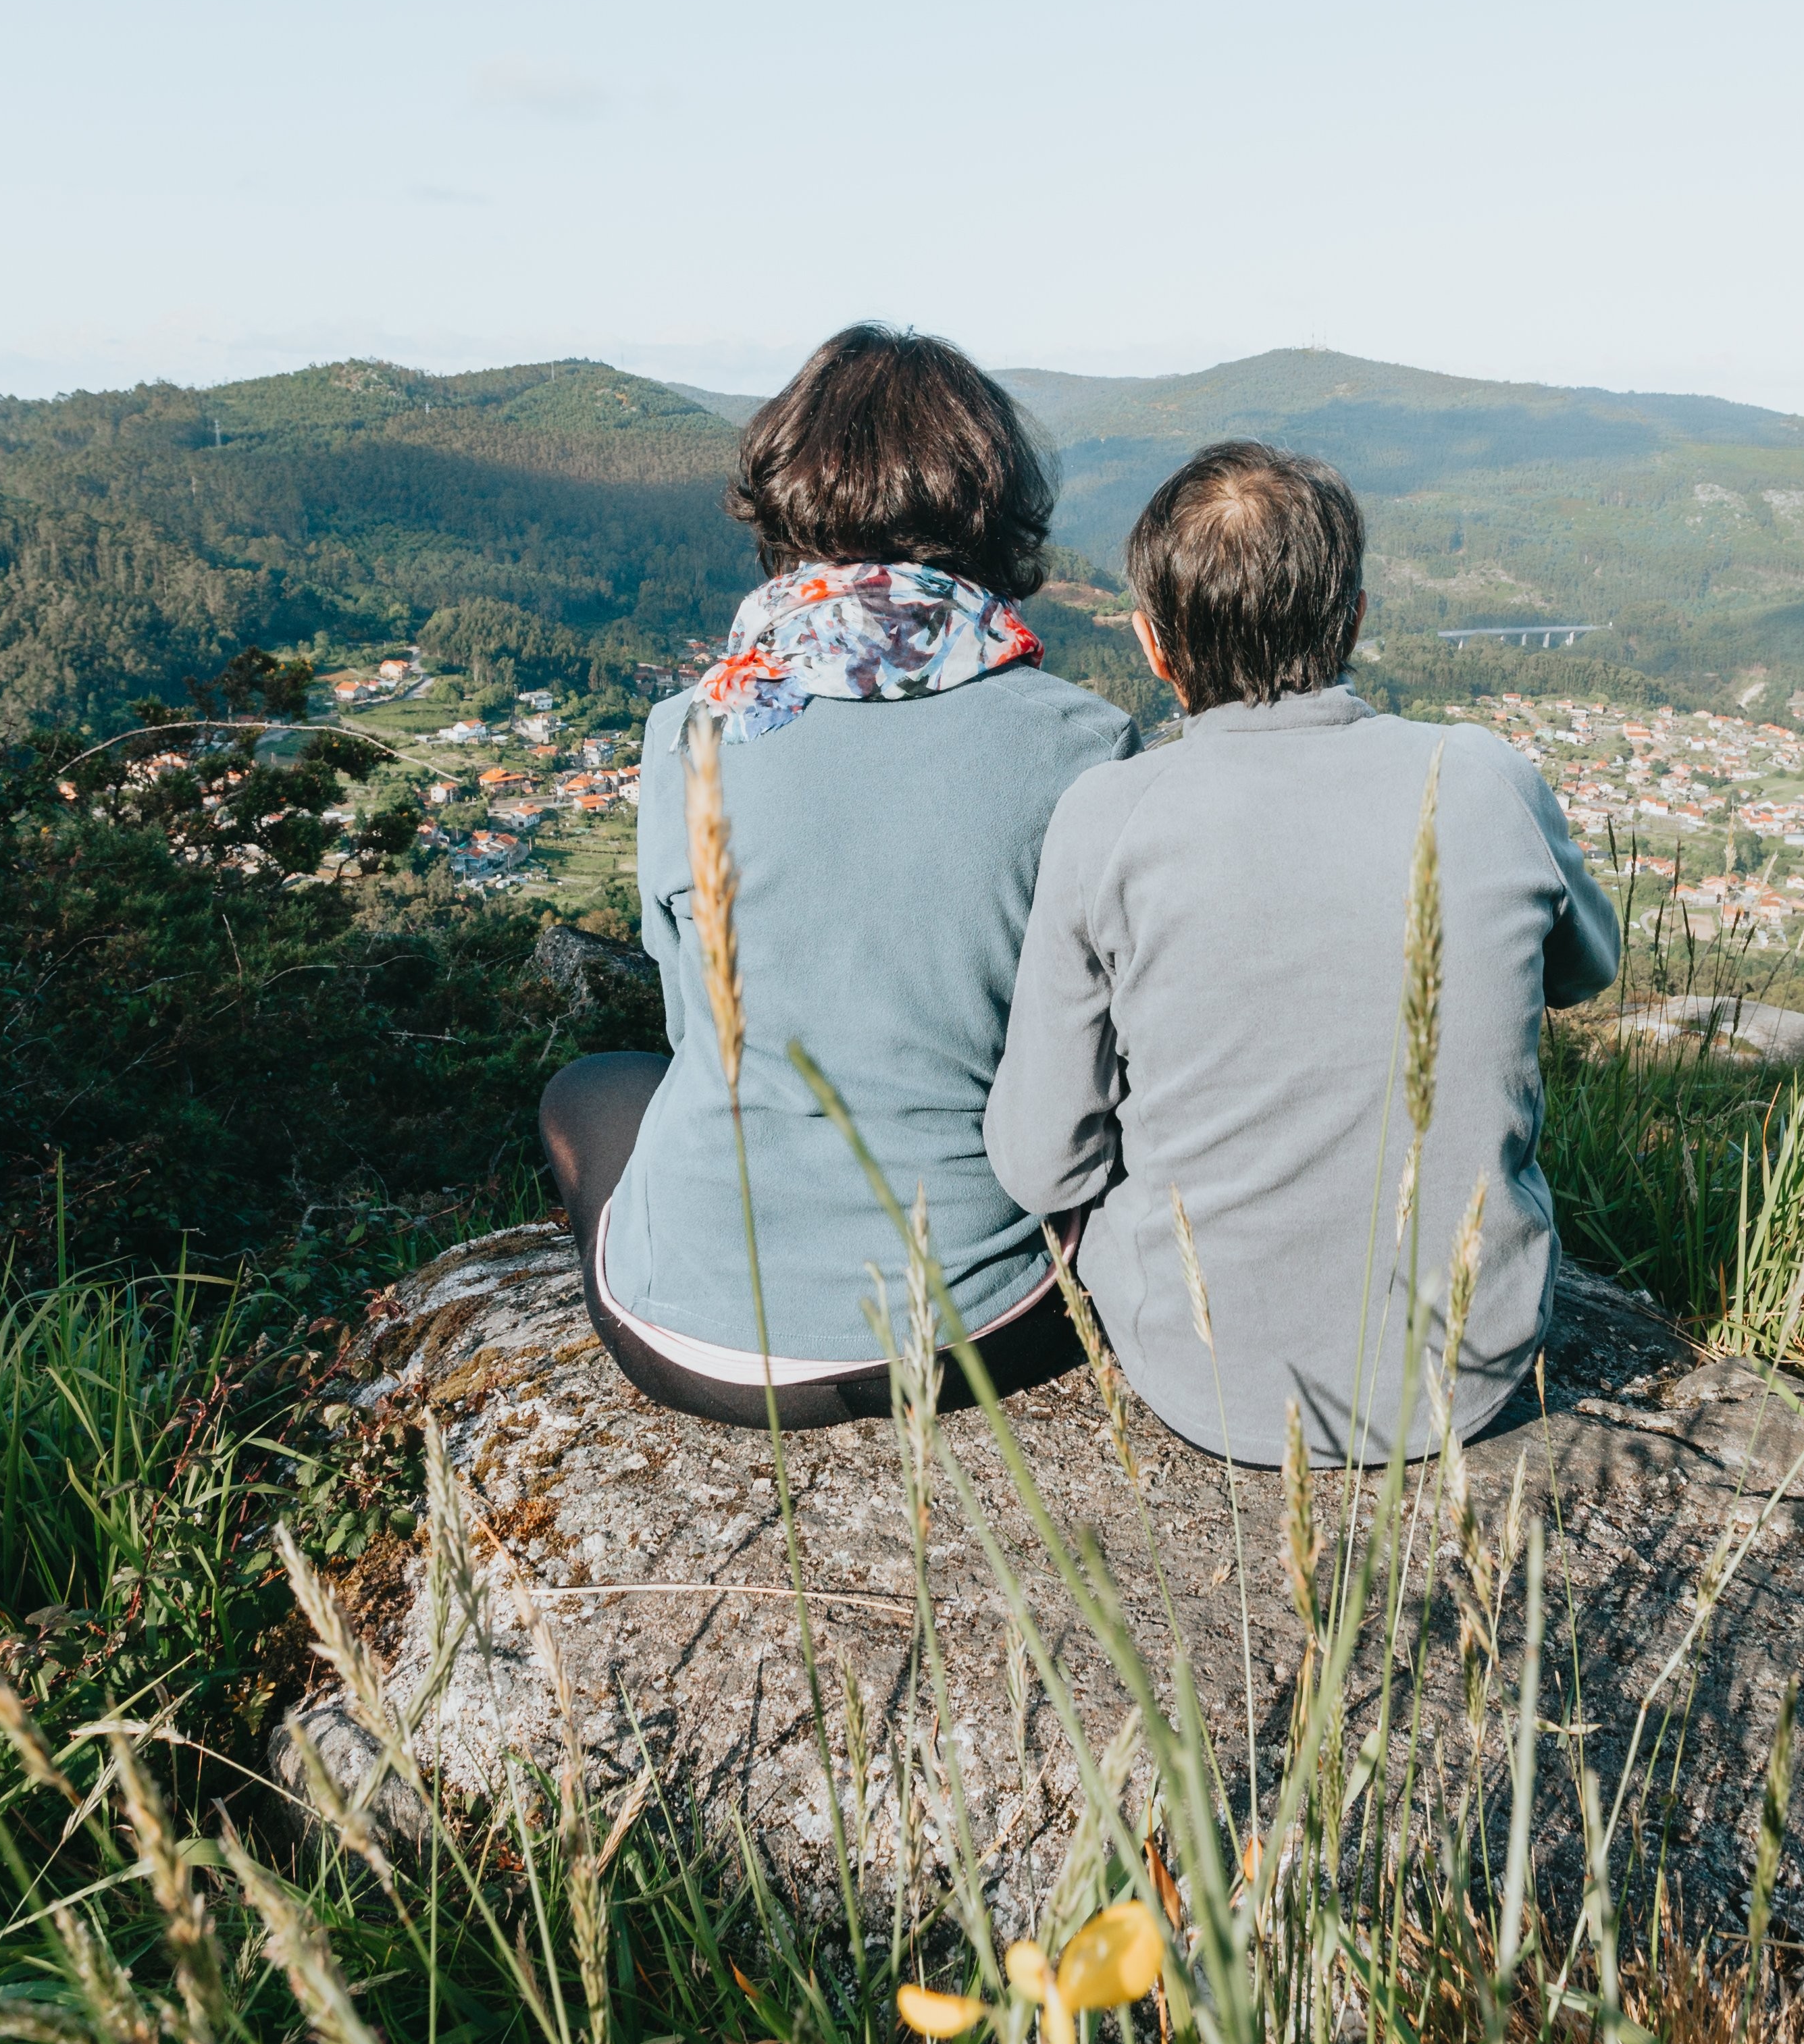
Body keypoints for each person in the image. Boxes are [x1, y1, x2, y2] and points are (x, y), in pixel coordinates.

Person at [540, 326, 1136, 1423]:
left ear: (785, 502)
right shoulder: (1086, 743)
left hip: (683, 1342)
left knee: (587, 1089)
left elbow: (692, 1032)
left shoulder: (691, 731)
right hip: (980, 1327)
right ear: (993, 511)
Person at [982, 441, 1620, 1465]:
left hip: (1201, 1379)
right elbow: (1590, 970)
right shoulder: (1483, 776)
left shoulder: (1110, 815)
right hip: (1472, 1368)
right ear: (1355, 618)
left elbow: (1045, 1160)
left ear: (1153, 645)